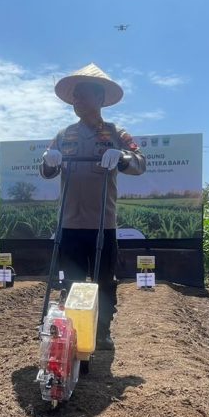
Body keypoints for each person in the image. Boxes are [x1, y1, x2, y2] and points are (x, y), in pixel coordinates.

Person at [39, 63, 146, 350]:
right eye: (74, 96)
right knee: (71, 282)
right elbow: (46, 169)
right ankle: (73, 329)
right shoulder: (64, 135)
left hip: (102, 223)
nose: (77, 100)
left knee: (104, 281)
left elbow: (140, 163)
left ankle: (102, 331)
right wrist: (48, 161)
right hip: (70, 223)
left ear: (99, 98)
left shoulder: (116, 133)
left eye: (82, 94)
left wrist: (121, 157)